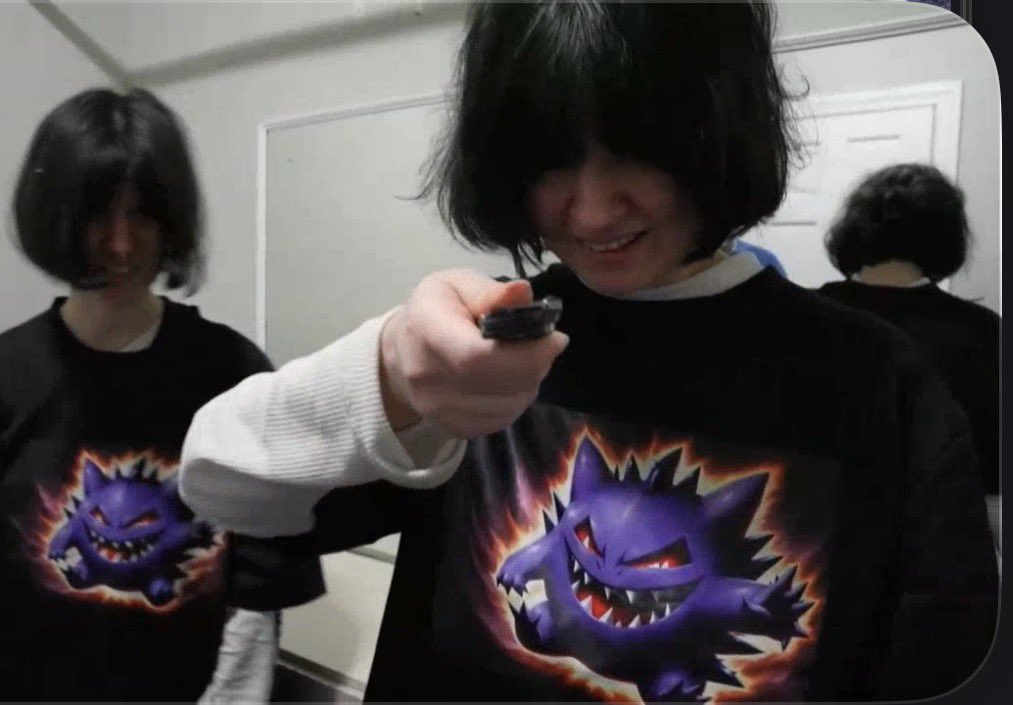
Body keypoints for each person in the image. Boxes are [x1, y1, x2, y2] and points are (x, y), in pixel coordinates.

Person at [178, 2, 997, 702]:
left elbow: (940, 656)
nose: (593, 210)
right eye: (550, 160)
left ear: (716, 136)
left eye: (640, 149)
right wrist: (385, 372)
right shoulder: (478, 348)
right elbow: (221, 487)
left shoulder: (878, 385)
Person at [0, 87, 323, 703]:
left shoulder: (235, 375)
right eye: (97, 215)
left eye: (142, 215)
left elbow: (259, 589)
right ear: (56, 216)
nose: (121, 245)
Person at [819, 163, 1000, 497]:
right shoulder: (982, 330)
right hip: (938, 514)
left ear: (853, 229)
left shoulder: (807, 314)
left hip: (814, 512)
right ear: (948, 237)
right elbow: (991, 458)